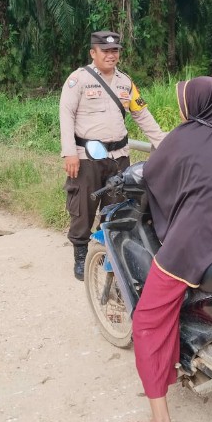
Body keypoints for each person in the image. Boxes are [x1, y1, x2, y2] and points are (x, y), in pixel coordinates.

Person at [119, 76, 212, 422]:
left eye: (184, 101)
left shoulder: (187, 135)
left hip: (195, 245)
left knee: (147, 320)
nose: (182, 108)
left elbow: (155, 173)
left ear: (197, 105)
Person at [59, 30, 166, 281]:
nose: (111, 55)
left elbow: (142, 115)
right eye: (105, 51)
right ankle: (81, 254)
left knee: (117, 205)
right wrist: (69, 153)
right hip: (86, 157)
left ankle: (108, 250)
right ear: (92, 53)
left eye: (115, 50)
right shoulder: (78, 80)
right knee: (83, 206)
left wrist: (162, 143)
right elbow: (66, 115)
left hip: (119, 155)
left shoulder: (125, 82)